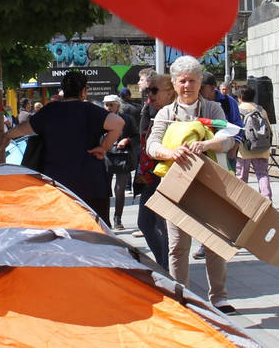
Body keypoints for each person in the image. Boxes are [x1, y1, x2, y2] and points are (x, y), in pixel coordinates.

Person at [146, 56, 239, 313]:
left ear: (200, 83)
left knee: (214, 242)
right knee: (177, 245)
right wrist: (170, 153)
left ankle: (219, 297)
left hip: (209, 185)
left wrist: (206, 144)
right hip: (176, 185)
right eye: (182, 81)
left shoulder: (213, 109)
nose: (187, 86)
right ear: (175, 84)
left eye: (192, 81)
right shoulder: (166, 113)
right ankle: (182, 297)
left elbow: (229, 138)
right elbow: (152, 145)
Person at [4, 69, 123, 221]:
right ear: (84, 91)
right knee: (95, 230)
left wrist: (6, 135)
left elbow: (23, 129)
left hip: (57, 185)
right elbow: (118, 123)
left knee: (61, 230)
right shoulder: (90, 110)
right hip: (91, 184)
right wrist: (104, 147)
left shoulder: (49, 111)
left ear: (63, 91)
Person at [132, 72, 173, 268]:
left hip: (165, 175)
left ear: (170, 92)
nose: (150, 94)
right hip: (149, 174)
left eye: (154, 90)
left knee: (162, 225)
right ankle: (163, 265)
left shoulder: (173, 114)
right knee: (145, 222)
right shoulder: (149, 108)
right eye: (149, 90)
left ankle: (166, 268)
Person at [101, 93, 140, 229]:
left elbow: (136, 137)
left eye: (111, 105)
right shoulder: (100, 119)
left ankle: (117, 218)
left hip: (122, 156)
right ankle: (104, 219)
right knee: (103, 189)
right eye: (106, 105)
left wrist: (127, 140)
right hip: (105, 155)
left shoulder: (127, 119)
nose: (108, 107)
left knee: (120, 188)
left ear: (118, 106)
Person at [234, 83, 273, 200]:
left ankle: (241, 201)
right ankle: (267, 199)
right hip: (261, 147)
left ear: (240, 97)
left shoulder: (238, 109)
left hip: (244, 148)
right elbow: (269, 129)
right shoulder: (261, 109)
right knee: (262, 174)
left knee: (241, 176)